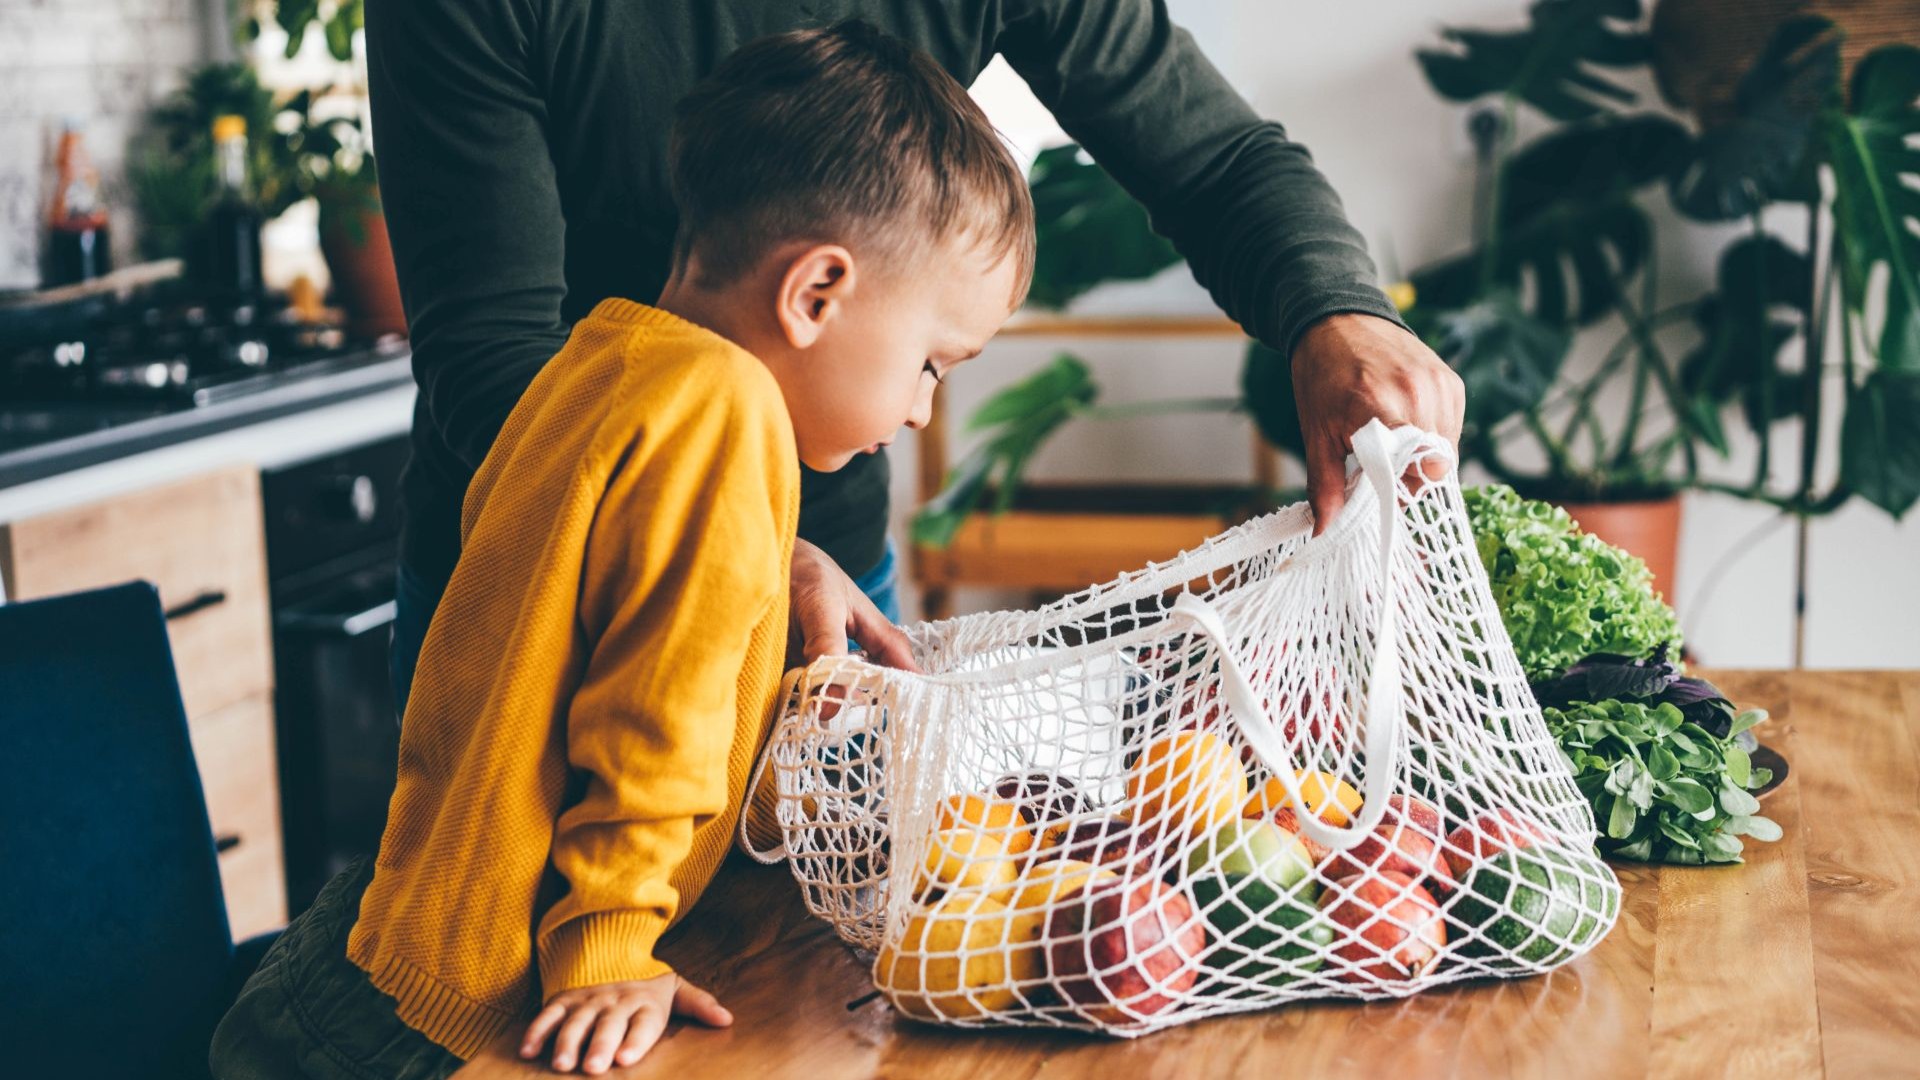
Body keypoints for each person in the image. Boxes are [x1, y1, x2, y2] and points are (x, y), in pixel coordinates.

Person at [210, 23, 1034, 1079]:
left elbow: (596, 664)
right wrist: (608, 950)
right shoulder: (727, 422)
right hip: (445, 1016)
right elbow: (651, 721)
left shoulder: (610, 357)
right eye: (931, 362)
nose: (924, 409)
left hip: (376, 947)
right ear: (815, 293)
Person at [369, 0, 1467, 716]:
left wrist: (1342, 314)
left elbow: (1220, 159)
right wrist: (732, 546)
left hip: (832, 587)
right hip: (540, 587)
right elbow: (493, 359)